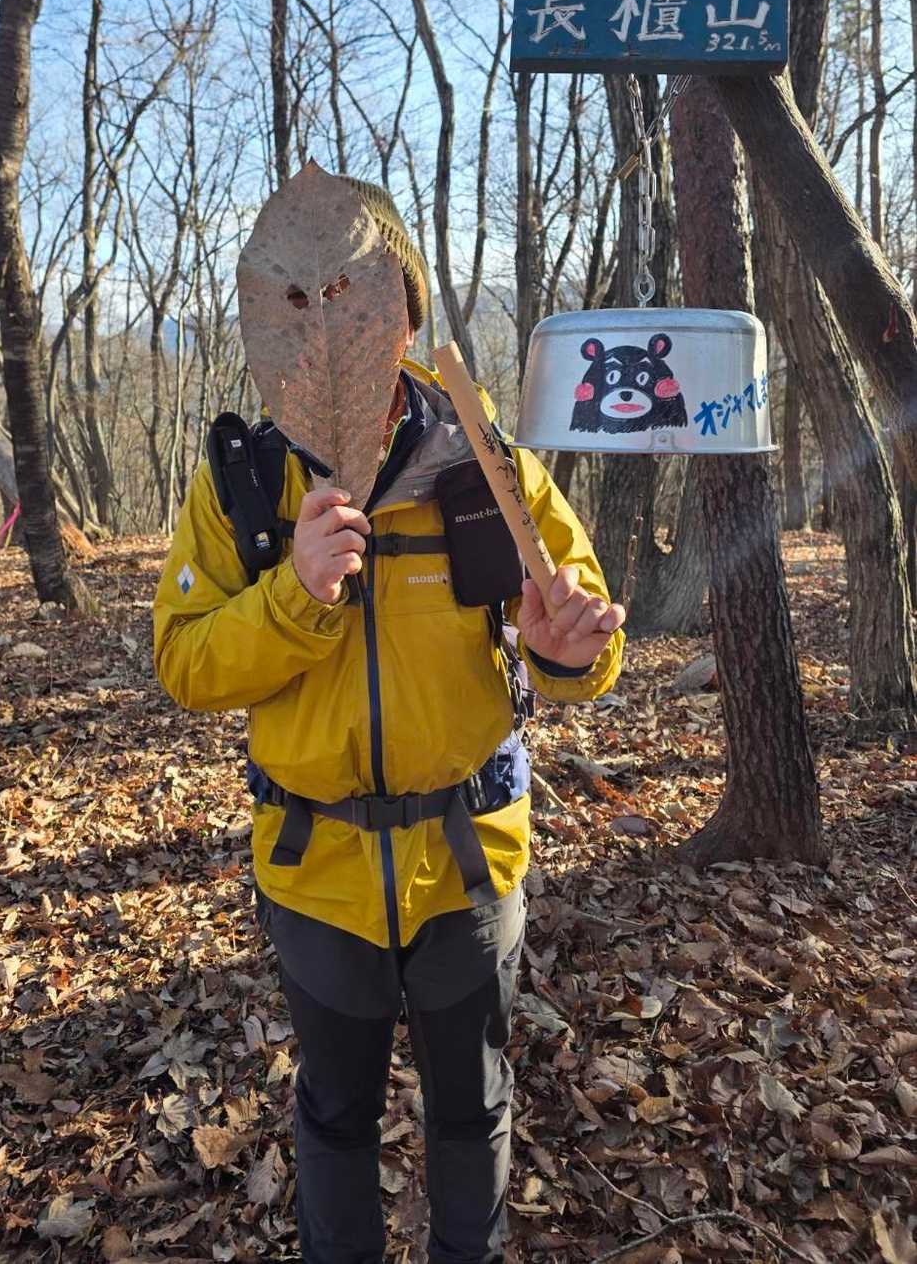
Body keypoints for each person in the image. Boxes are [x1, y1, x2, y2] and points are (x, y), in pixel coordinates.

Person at [153, 179, 625, 1264]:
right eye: (296, 301)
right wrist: (293, 594)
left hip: (465, 868)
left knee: (471, 1106)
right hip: (315, 875)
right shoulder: (243, 481)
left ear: (404, 312)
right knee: (334, 1116)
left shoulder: (484, 460)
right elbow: (184, 660)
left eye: (353, 299)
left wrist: (569, 650)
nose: (327, 332)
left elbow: (580, 632)